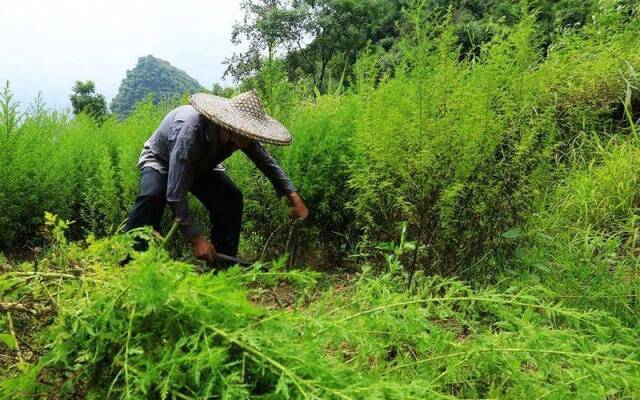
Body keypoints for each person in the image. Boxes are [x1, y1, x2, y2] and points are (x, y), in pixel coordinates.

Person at [123, 90, 309, 265]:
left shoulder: (241, 135)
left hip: (202, 165)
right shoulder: (190, 133)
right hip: (162, 160)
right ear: (228, 126)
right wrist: (196, 238)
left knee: (231, 198)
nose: (248, 140)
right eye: (244, 134)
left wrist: (292, 195)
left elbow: (266, 162)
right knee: (152, 196)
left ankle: (223, 268)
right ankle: (129, 262)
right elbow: (175, 193)